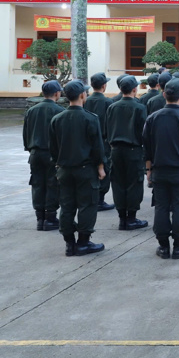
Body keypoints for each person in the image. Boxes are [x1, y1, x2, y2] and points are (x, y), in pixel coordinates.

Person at [143, 78, 179, 260]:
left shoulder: (152, 119)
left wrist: (148, 170)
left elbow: (147, 147)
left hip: (159, 170)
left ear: (163, 95)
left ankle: (162, 246)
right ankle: (178, 246)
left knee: (161, 207)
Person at [51, 80, 107, 256]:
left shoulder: (57, 119)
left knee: (67, 206)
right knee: (87, 205)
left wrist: (58, 164)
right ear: (83, 95)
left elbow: (53, 148)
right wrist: (100, 167)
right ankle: (83, 243)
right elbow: (97, 147)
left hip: (64, 169)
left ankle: (69, 244)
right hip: (85, 169)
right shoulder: (90, 118)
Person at [104, 75, 149, 231]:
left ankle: (122, 217)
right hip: (133, 150)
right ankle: (131, 218)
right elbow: (144, 132)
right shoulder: (139, 107)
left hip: (115, 150)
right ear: (135, 89)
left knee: (118, 183)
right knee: (133, 184)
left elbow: (107, 130)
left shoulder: (112, 106)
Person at [23, 80, 65, 231]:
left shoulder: (32, 110)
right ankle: (50, 217)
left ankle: (39, 218)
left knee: (37, 184)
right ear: (56, 93)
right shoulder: (60, 111)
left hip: (35, 152)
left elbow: (26, 134)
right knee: (52, 184)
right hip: (51, 154)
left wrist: (30, 148)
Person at [84, 72, 115, 212]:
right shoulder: (108, 102)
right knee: (105, 168)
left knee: (91, 167)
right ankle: (100, 199)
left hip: (87, 140)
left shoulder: (86, 100)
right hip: (104, 140)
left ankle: (92, 197)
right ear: (104, 86)